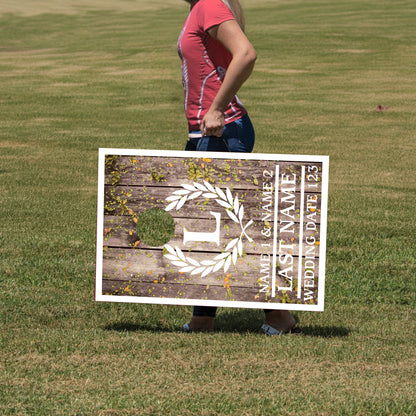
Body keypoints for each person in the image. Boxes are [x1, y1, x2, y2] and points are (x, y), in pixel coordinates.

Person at [178, 0, 298, 335]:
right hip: (208, 132)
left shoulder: (208, 5)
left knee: (238, 228)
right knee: (207, 227)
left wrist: (216, 109)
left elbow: (246, 53)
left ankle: (279, 315)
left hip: (223, 131)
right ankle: (203, 318)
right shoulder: (198, 8)